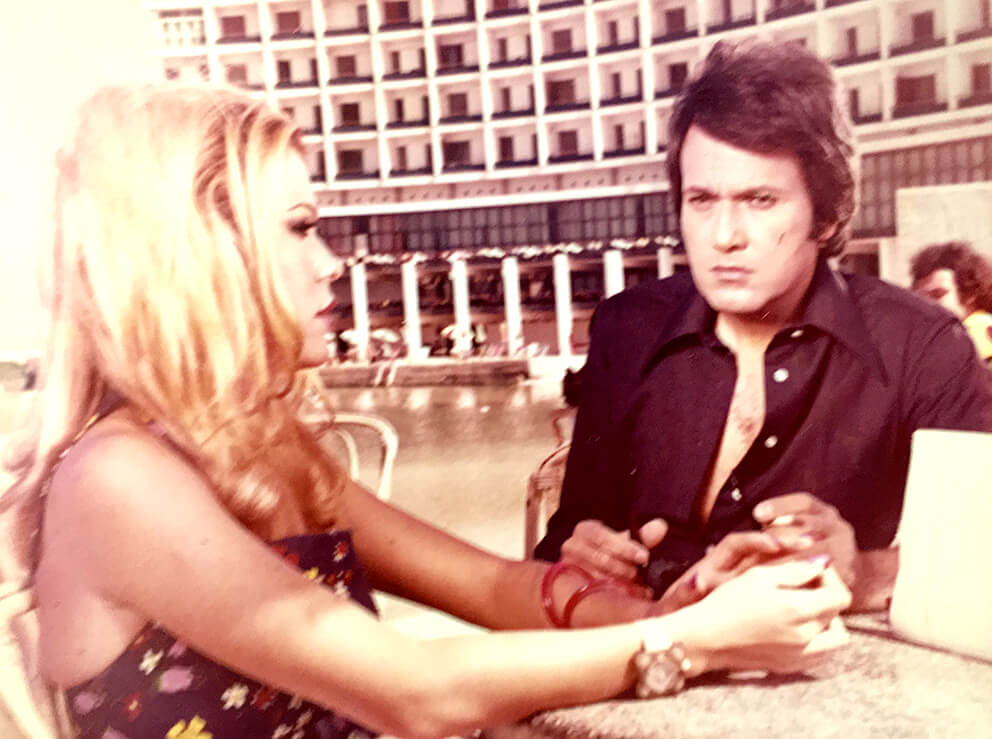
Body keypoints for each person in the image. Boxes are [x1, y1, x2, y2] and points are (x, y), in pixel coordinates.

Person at [0, 84, 851, 739]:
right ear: (197, 254)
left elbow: (490, 583)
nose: (331, 262)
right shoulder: (118, 477)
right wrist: (699, 641)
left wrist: (674, 608)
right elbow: (415, 691)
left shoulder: (262, 450)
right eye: (298, 227)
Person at [534, 39, 992, 614]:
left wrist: (862, 569)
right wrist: (578, 553)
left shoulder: (923, 345)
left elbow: (980, 554)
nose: (724, 236)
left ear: (826, 215)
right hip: (643, 647)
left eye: (759, 199)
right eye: (702, 200)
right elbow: (565, 539)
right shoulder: (627, 328)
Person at [910, 241, 992, 365]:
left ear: (969, 294)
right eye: (920, 297)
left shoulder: (978, 331)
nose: (925, 303)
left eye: (937, 294)